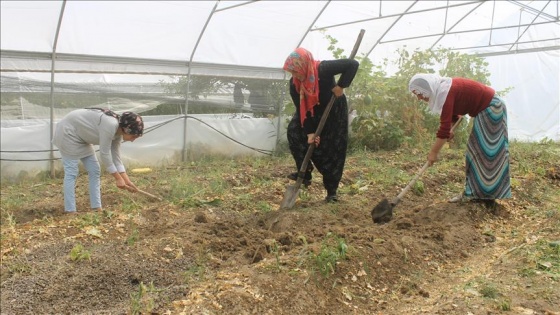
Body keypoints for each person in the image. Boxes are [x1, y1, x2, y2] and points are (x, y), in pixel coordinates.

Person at [408, 73, 511, 206]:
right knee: (479, 152)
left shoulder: (446, 91)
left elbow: (444, 129)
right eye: (417, 94)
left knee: (484, 152)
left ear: (429, 89)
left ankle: (484, 195)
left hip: (492, 108)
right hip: (488, 108)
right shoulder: (444, 90)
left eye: (420, 93)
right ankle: (480, 193)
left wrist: (433, 152)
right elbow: (455, 116)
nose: (419, 98)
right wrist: (451, 128)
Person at [283, 47, 359, 202]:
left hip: (333, 112)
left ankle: (332, 192)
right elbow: (301, 109)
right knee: (294, 132)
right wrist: (310, 132)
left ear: (304, 65)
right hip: (310, 112)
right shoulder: (294, 84)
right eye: (292, 72)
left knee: (333, 149)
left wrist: (341, 86)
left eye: (296, 71)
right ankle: (305, 172)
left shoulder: (322, 69)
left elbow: (352, 64)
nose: (294, 75)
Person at [52, 108, 144, 214]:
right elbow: (104, 154)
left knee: (94, 169)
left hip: (82, 137)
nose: (133, 140)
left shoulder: (118, 132)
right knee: (71, 172)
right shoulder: (110, 125)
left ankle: (96, 207)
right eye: (133, 136)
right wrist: (118, 178)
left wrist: (127, 181)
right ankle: (70, 210)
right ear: (127, 129)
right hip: (68, 133)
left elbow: (116, 158)